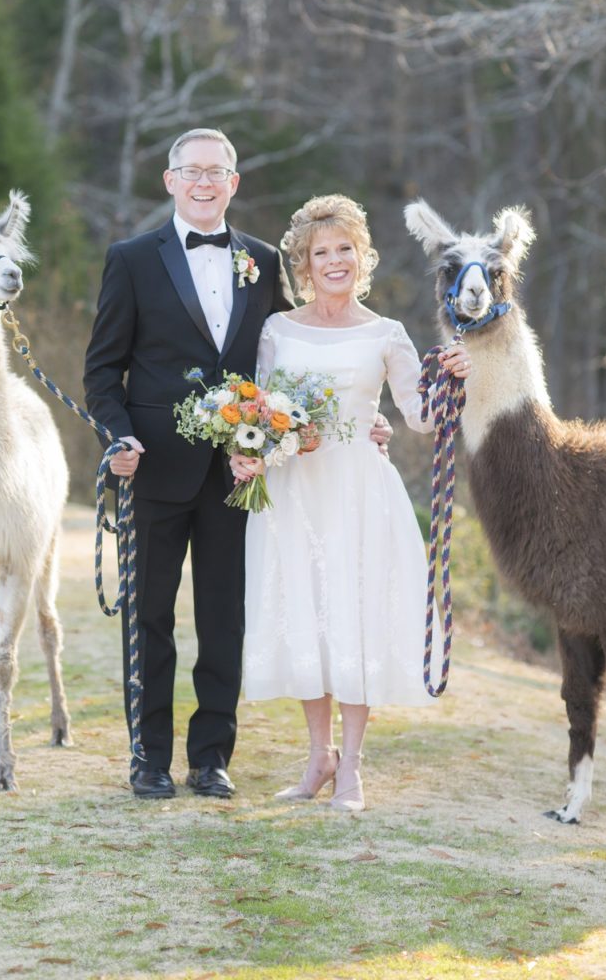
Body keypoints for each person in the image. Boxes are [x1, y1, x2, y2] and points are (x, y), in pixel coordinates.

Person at [83, 132, 391, 801]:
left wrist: (360, 415)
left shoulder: (260, 262)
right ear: (169, 181)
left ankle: (211, 757)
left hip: (242, 474)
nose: (202, 183)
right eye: (190, 172)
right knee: (151, 619)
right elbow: (103, 372)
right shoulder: (131, 260)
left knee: (225, 619)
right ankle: (149, 757)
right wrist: (119, 439)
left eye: (214, 172)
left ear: (233, 182)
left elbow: (294, 363)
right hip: (154, 470)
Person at [230, 194, 470, 812]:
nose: (333, 260)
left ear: (361, 257)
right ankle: (318, 757)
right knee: (307, 612)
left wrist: (458, 377)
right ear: (303, 264)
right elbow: (256, 408)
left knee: (354, 617)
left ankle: (354, 767)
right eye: (321, 252)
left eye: (345, 249)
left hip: (360, 493)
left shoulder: (386, 334)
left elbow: (420, 417)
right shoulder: (277, 330)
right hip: (294, 492)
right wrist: (247, 448)